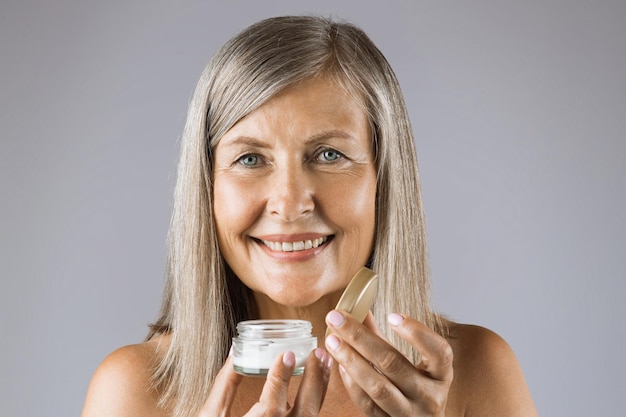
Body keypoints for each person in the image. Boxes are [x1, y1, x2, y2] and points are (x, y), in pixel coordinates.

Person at [81, 15, 538, 417]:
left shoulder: (477, 372)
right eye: (251, 159)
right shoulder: (134, 393)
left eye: (328, 153)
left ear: (384, 181)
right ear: (207, 188)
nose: (290, 202)